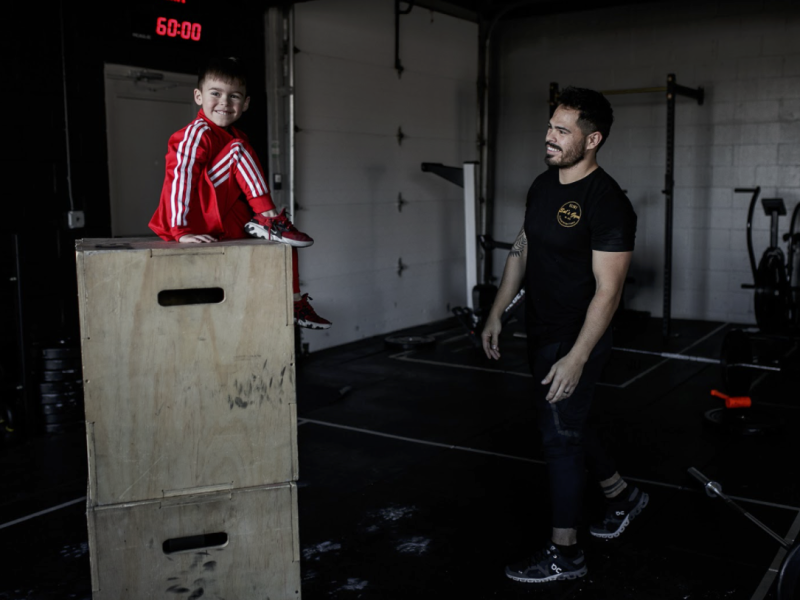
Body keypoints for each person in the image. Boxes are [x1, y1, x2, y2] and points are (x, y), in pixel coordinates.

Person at [481, 86, 646, 583]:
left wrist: (576, 357)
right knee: (571, 420)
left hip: (576, 336)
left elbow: (609, 291)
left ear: (592, 139)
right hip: (540, 327)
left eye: (561, 130)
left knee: (559, 438)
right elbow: (524, 246)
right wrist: (497, 311)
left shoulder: (607, 202)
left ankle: (565, 554)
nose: (548, 137)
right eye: (550, 126)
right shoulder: (542, 185)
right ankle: (622, 495)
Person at [149, 56, 331, 330]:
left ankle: (295, 304)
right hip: (189, 218)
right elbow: (180, 179)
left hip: (220, 214)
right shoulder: (197, 133)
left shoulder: (236, 136)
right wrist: (179, 229)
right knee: (237, 151)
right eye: (215, 93)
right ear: (198, 96)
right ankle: (269, 218)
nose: (225, 102)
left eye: (234, 96)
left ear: (245, 103)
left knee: (285, 242)